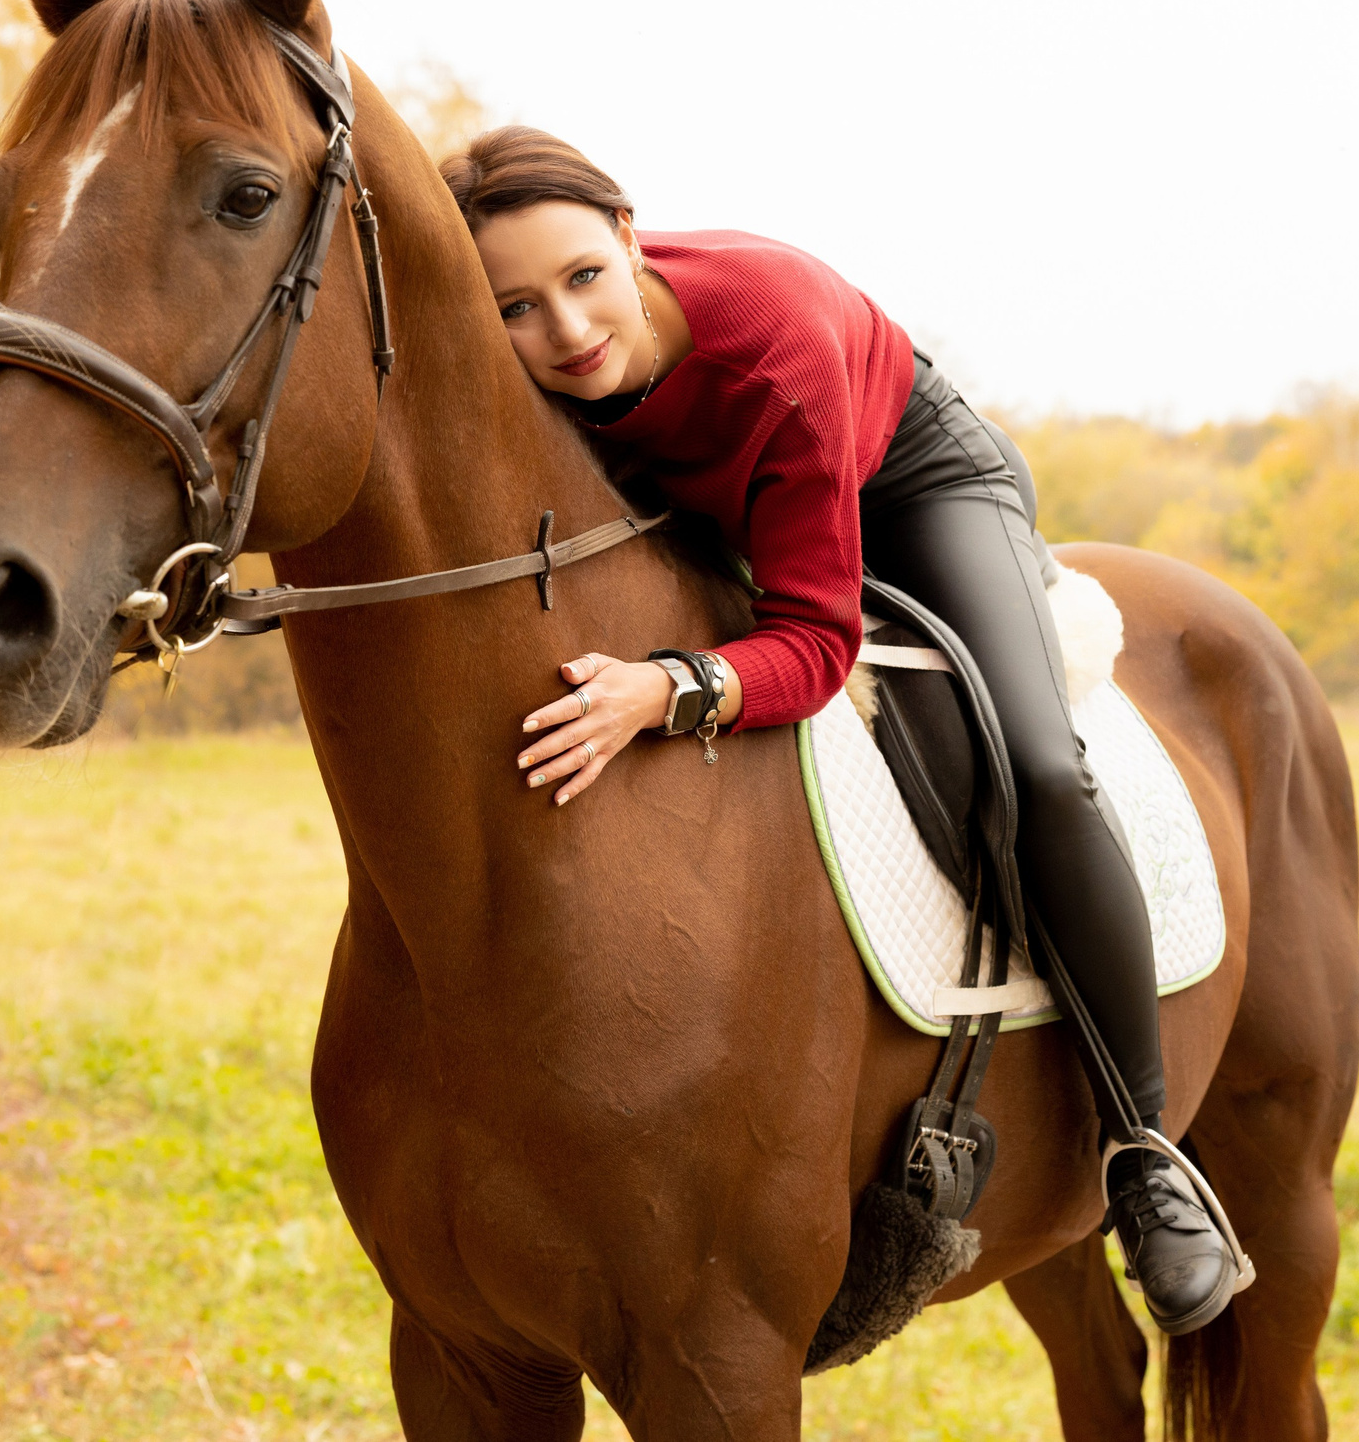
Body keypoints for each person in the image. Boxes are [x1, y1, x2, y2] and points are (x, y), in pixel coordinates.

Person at [441, 125, 1239, 1335]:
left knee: (1031, 763)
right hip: (711, 496)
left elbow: (812, 641)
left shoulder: (765, 338)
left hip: (904, 476)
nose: (567, 333)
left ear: (628, 237)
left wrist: (665, 690)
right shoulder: (530, 373)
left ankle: (1145, 1158)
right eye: (514, 308)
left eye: (584, 278)